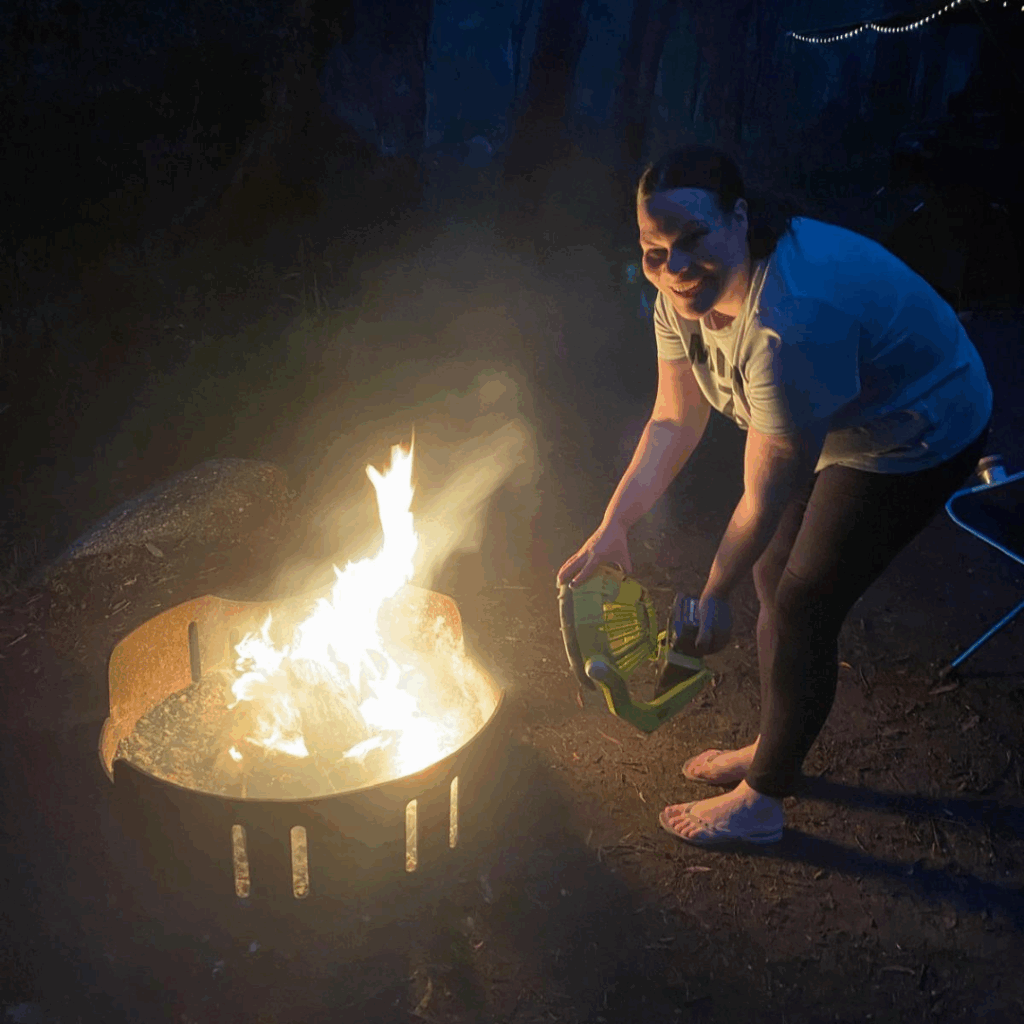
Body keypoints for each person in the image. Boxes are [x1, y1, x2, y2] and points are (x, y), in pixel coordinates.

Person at [556, 145, 993, 848]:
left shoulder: (789, 321)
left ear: (739, 217)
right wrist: (614, 525)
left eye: (692, 239)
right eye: (653, 250)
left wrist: (710, 596)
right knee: (771, 572)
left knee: (801, 601)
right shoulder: (682, 294)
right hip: (841, 416)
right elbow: (673, 420)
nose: (673, 267)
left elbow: (765, 493)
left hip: (917, 428)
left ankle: (764, 798)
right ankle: (774, 746)